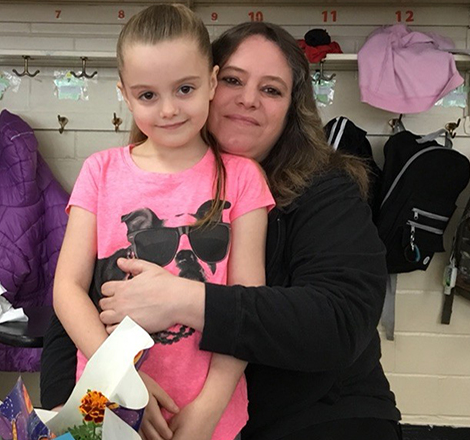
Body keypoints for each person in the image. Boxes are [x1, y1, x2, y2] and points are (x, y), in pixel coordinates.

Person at [41, 22, 402, 440]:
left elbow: (340, 321)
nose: (248, 99)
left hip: (315, 413)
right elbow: (71, 299)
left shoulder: (319, 189)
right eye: (234, 80)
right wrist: (70, 407)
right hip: (130, 407)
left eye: (271, 90)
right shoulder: (109, 172)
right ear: (213, 82)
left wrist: (182, 300)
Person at [52, 5, 274, 440]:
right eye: (148, 95)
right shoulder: (100, 171)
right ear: (125, 94)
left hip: (209, 413)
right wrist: (120, 375)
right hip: (108, 397)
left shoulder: (244, 178)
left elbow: (249, 305)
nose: (169, 109)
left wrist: (209, 410)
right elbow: (66, 288)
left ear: (211, 83)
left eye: (185, 89)